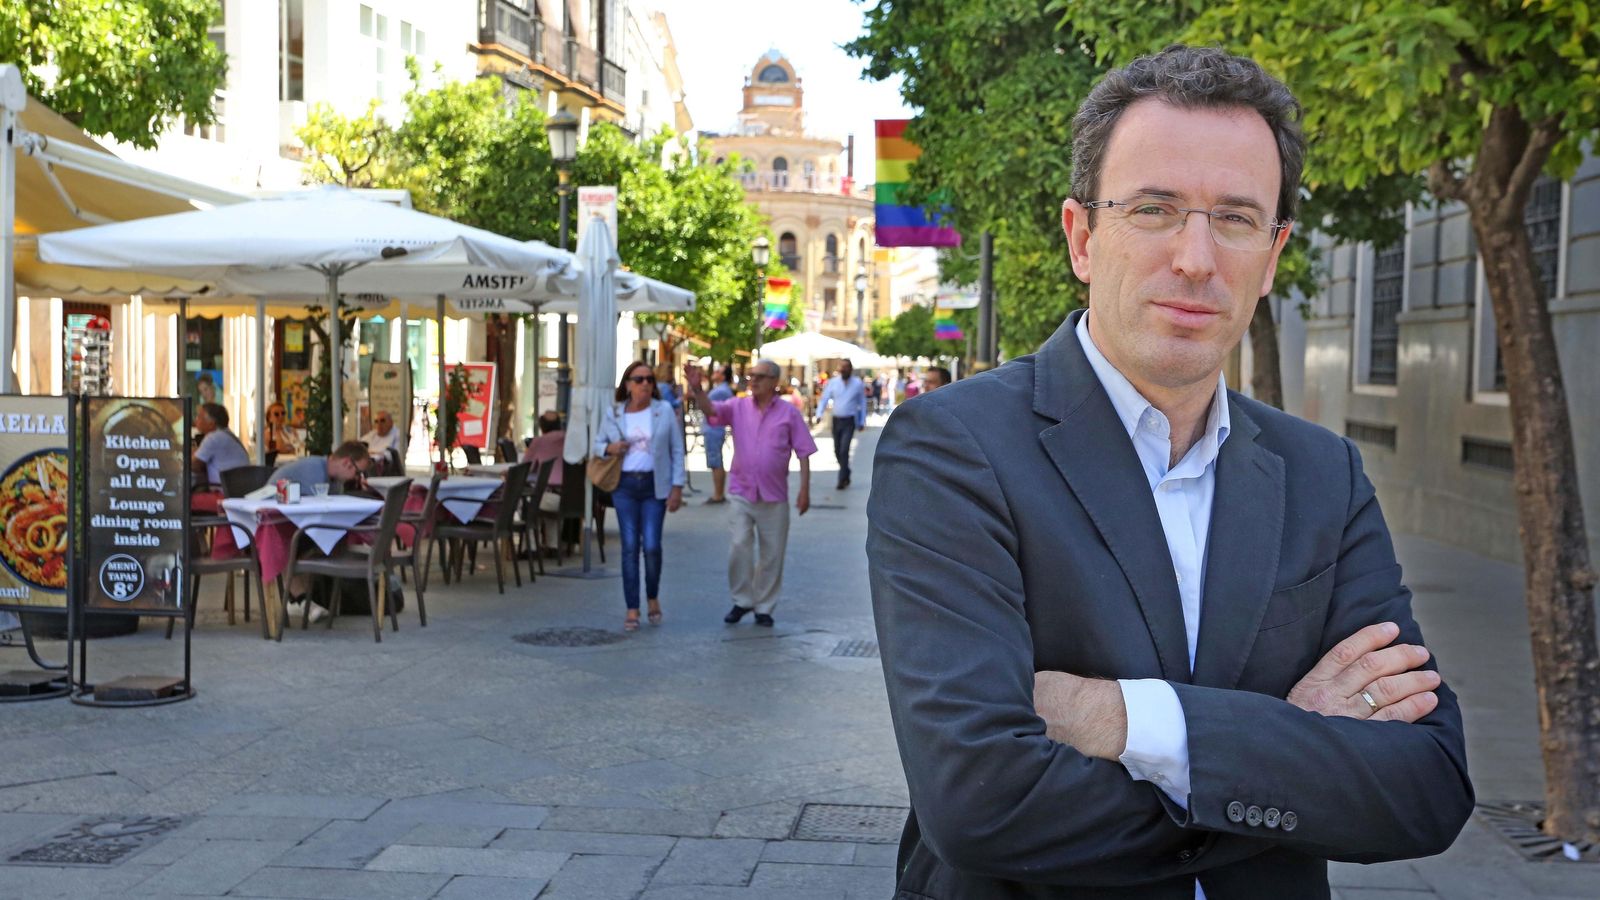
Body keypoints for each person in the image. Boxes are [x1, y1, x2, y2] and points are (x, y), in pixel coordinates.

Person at [867, 46, 1470, 899]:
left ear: (1271, 256)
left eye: (1234, 219)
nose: (1195, 258)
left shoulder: (1320, 474)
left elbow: (1426, 786)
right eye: (1154, 209)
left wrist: (1122, 720)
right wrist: (1288, 752)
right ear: (1083, 237)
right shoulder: (953, 448)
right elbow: (980, 803)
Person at [684, 359, 814, 628]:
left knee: (772, 554)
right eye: (750, 375)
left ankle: (764, 606)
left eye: (760, 376)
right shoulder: (738, 406)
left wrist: (804, 490)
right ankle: (742, 600)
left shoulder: (788, 413)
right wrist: (698, 390)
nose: (752, 380)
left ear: (774, 382)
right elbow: (712, 412)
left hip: (774, 494)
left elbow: (803, 452)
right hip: (742, 491)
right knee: (739, 545)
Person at [594, 361, 685, 631]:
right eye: (639, 379)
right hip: (624, 487)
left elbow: (677, 449)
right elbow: (597, 445)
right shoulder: (613, 413)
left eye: (649, 379)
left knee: (652, 546)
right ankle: (632, 607)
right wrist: (610, 447)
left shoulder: (663, 411)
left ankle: (653, 596)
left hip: (653, 486)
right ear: (628, 385)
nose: (645, 384)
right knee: (630, 546)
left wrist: (677, 487)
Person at [814, 360, 866, 489]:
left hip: (849, 421)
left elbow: (862, 403)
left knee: (844, 450)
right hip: (836, 420)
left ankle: (841, 480)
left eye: (845, 367)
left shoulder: (857, 384)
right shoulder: (833, 383)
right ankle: (846, 471)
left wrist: (861, 420)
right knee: (837, 450)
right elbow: (825, 398)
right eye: (841, 367)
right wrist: (819, 413)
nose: (843, 369)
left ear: (850, 369)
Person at [191, 403, 251, 513]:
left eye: (199, 417)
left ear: (211, 423)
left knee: (183, 500)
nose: (196, 420)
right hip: (240, 493)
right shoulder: (227, 435)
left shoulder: (214, 438)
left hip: (225, 496)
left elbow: (192, 465)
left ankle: (189, 530)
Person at [271, 440, 370, 495]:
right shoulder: (313, 470)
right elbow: (314, 510)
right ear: (346, 463)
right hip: (270, 520)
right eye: (358, 473)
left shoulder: (335, 479)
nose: (357, 478)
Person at [701, 364, 735, 504]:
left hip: (714, 429)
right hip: (714, 428)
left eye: (717, 371)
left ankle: (718, 494)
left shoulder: (721, 391)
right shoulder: (721, 389)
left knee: (715, 461)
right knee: (715, 461)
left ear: (723, 375)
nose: (714, 373)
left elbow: (710, 408)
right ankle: (718, 493)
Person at [521, 409, 566, 512]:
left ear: (542, 427)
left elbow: (525, 468)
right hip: (576, 498)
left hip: (551, 497)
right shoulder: (570, 438)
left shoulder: (539, 442)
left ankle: (531, 525)